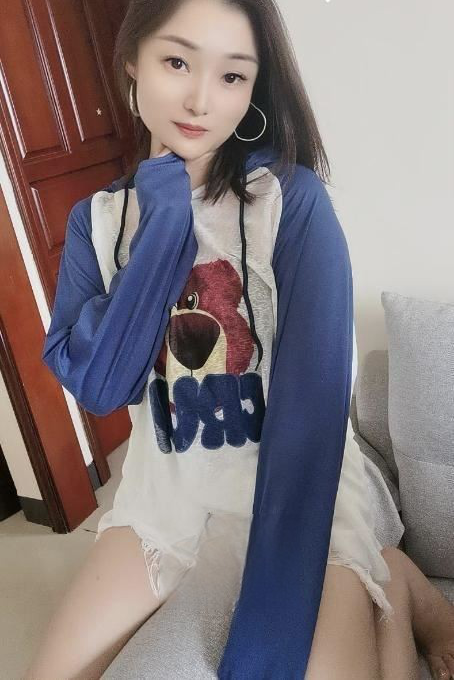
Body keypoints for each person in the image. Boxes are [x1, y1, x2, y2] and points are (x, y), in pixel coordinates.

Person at [26, 0, 454, 678]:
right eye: (176, 61)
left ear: (255, 88)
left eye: (232, 76)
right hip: (167, 491)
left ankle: (392, 585)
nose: (201, 99)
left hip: (297, 484)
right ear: (132, 60)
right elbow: (104, 387)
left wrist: (267, 645)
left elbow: (313, 410)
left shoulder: (290, 200)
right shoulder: (97, 220)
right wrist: (163, 218)